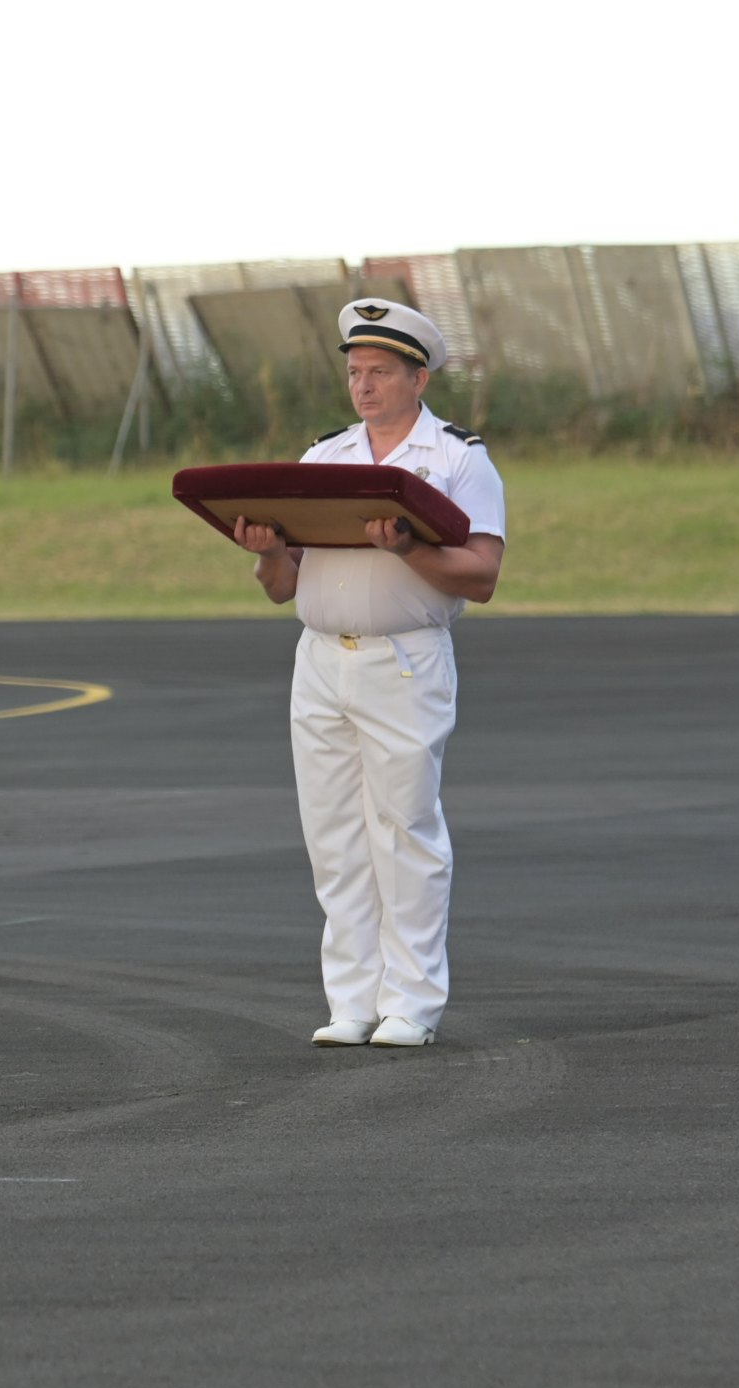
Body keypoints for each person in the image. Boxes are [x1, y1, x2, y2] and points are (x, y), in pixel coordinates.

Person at [229, 300, 505, 1048]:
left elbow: (480, 574)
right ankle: (351, 999)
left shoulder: (456, 458)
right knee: (334, 836)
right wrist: (264, 547)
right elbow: (284, 583)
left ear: (419, 377)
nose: (364, 386)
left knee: (405, 830)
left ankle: (412, 1002)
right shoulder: (326, 458)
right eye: (355, 372)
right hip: (320, 660)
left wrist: (407, 548)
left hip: (404, 659)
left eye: (380, 372)